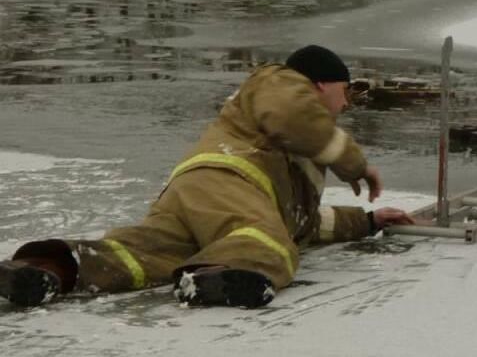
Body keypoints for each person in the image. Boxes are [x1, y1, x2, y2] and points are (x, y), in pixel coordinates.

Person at [0, 45, 415, 309]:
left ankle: (46, 269)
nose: (346, 105)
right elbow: (293, 117)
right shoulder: (278, 82)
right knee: (267, 246)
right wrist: (354, 163)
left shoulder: (298, 153)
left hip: (191, 196)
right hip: (231, 182)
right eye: (345, 93)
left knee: (141, 255)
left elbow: (302, 223)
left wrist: (368, 221)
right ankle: (214, 279)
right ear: (321, 85)